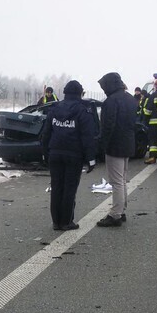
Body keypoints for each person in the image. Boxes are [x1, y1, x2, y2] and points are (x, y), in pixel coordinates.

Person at [40, 80, 96, 231]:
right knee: (69, 188)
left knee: (56, 187)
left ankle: (56, 222)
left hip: (55, 154)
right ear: (79, 93)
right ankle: (66, 221)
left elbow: (46, 134)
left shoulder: (54, 109)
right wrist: (91, 159)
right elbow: (87, 136)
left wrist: (45, 154)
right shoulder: (83, 110)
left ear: (65, 93)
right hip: (73, 155)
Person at [97, 72, 137, 227]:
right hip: (127, 143)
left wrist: (102, 144)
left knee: (116, 181)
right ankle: (122, 209)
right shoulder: (130, 99)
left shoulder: (111, 102)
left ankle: (115, 215)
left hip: (115, 145)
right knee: (122, 179)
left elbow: (108, 126)